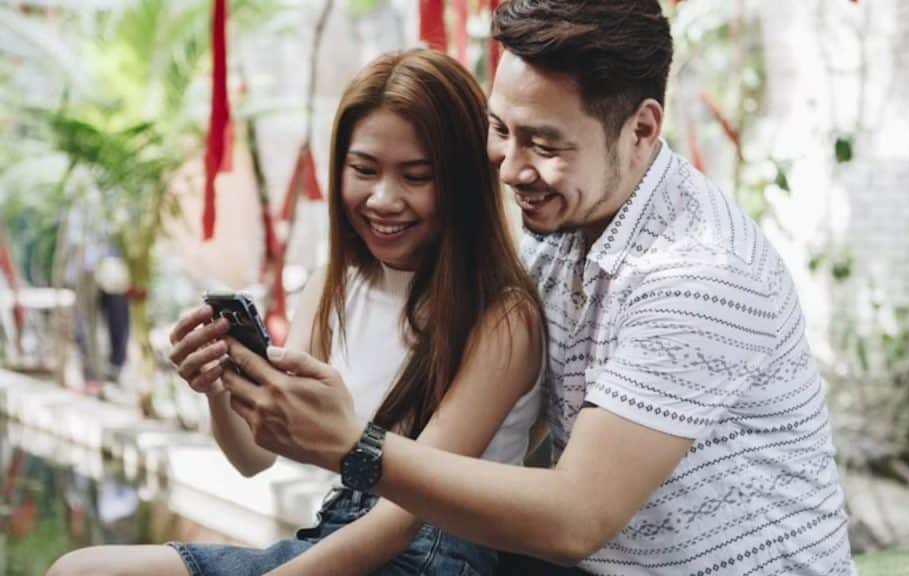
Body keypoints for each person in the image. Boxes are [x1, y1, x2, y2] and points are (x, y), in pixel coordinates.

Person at [215, 1, 858, 575]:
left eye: (545, 143)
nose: (513, 167)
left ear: (640, 129)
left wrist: (355, 446)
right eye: (501, 130)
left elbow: (576, 517)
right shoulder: (560, 224)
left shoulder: (699, 276)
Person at [47, 48, 545, 576]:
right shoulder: (333, 285)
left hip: (432, 555)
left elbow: (404, 518)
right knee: (80, 568)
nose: (383, 198)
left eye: (417, 176)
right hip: (335, 537)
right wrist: (217, 385)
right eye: (364, 169)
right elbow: (253, 458)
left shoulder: (504, 318)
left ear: (463, 182)